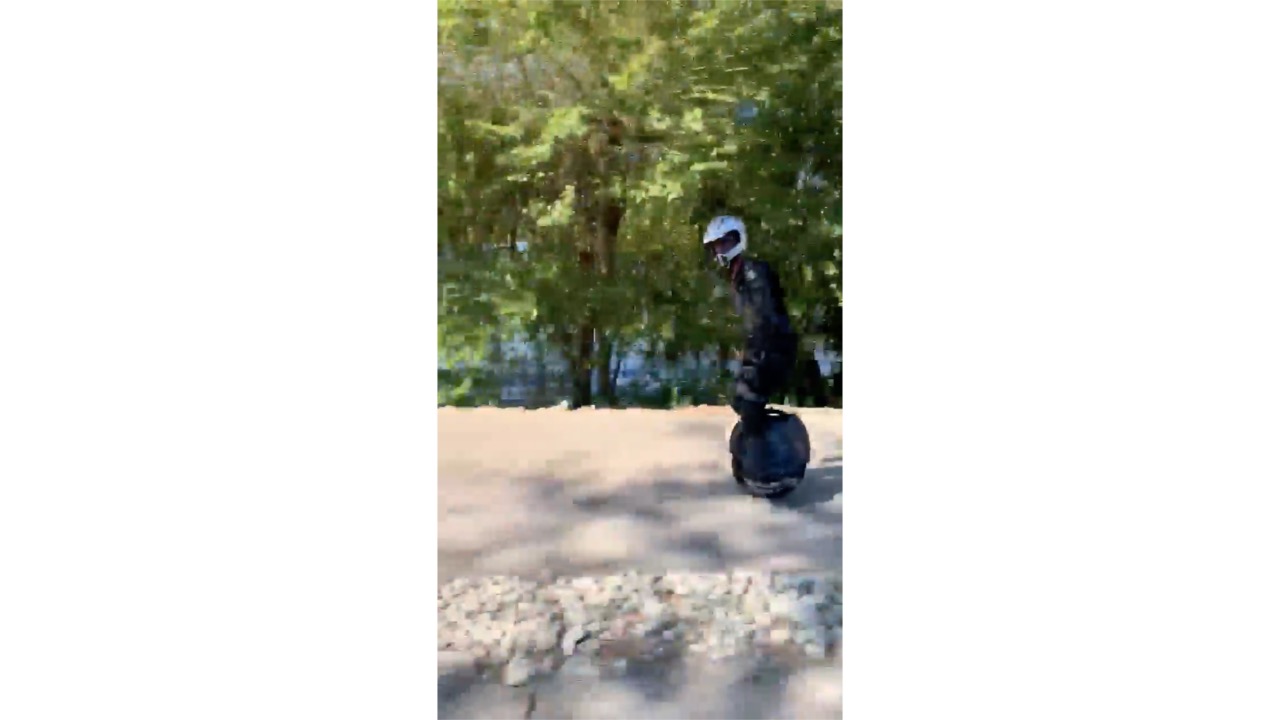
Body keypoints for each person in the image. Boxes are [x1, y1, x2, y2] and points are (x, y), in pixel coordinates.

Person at [703, 215, 799, 478]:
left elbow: (765, 317)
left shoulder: (753, 271)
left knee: (750, 404)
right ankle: (767, 447)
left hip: (775, 347)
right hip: (761, 347)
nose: (719, 249)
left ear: (737, 239)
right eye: (716, 245)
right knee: (739, 398)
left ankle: (767, 469)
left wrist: (758, 356)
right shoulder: (738, 273)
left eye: (724, 242)